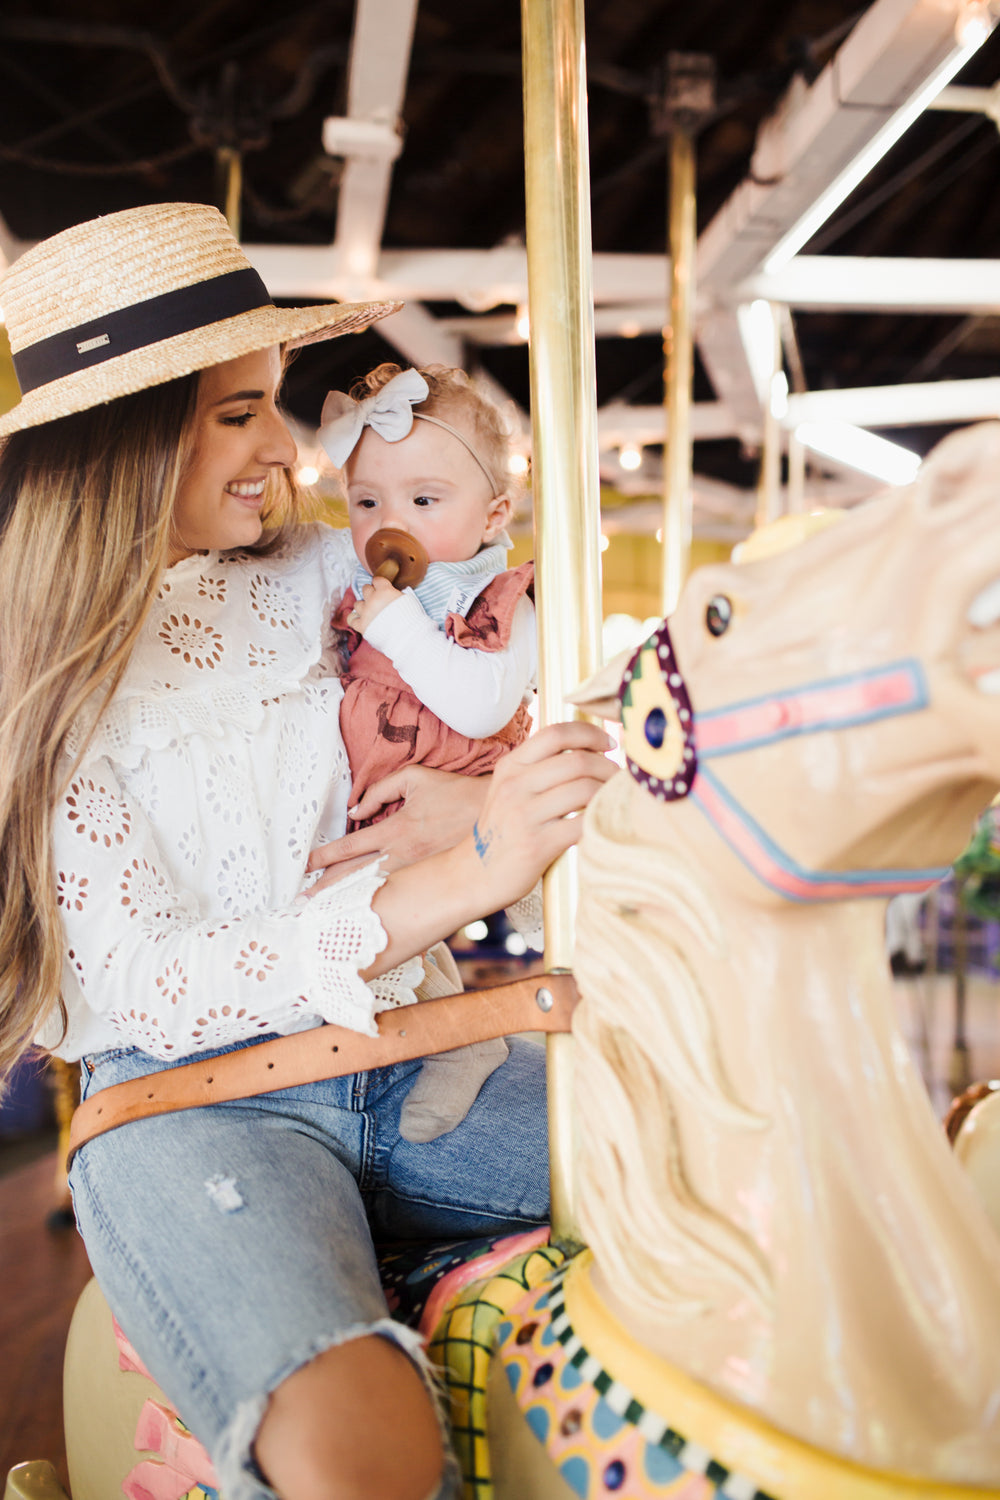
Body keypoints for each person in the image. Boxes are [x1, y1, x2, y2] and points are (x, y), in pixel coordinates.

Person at [0, 202, 615, 1500]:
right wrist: (460, 875)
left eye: (270, 404)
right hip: (193, 1103)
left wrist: (489, 781)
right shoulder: (40, 678)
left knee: (742, 1172)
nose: (281, 449)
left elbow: (503, 639)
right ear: (129, 436)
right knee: (360, 1458)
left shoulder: (326, 569)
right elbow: (151, 983)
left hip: (415, 1047)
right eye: (239, 414)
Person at [317, 362, 538, 1144]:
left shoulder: (499, 602)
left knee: (371, 921)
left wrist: (395, 627)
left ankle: (459, 1039)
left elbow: (480, 705)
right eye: (367, 501)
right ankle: (443, 1034)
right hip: (380, 795)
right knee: (374, 926)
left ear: (494, 513)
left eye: (424, 500)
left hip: (452, 784)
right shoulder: (368, 591)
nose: (391, 522)